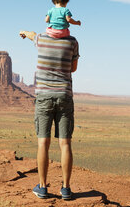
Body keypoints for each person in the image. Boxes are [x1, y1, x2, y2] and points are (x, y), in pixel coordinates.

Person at [19, 29, 79, 200]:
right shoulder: (73, 41)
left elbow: (32, 35)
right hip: (64, 96)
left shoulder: (42, 39)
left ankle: (43, 187)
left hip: (44, 97)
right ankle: (66, 189)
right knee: (65, 143)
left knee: (43, 142)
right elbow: (73, 68)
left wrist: (23, 32)